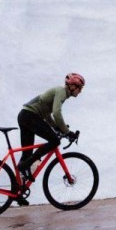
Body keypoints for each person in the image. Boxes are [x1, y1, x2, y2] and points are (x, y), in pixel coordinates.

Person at [14, 73, 85, 204]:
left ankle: (17, 194)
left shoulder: (59, 93)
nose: (80, 91)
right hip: (30, 116)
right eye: (80, 88)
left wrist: (57, 128)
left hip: (25, 115)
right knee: (54, 141)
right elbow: (57, 113)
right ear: (72, 86)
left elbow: (47, 115)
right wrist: (67, 131)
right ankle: (27, 164)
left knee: (26, 157)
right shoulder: (61, 92)